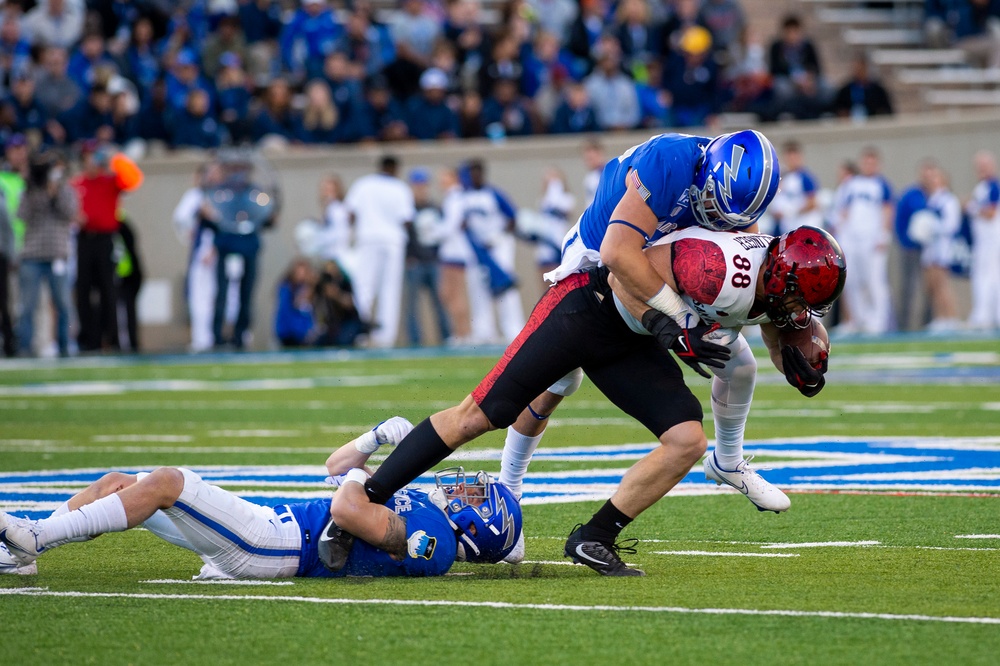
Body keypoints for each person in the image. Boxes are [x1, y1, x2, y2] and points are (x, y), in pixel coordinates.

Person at [350, 225, 844, 577]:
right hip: (590, 309)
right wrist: (672, 330)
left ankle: (594, 537)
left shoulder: (777, 285)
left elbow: (787, 330)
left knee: (686, 438)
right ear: (781, 280)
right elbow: (619, 276)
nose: (800, 311)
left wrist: (807, 363)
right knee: (481, 415)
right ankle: (364, 500)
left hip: (629, 343)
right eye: (799, 300)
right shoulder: (716, 270)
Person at [0, 418, 522, 578]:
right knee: (123, 482)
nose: (466, 486)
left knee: (168, 481)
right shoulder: (429, 512)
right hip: (272, 528)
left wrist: (369, 476)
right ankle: (23, 556)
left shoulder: (437, 545)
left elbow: (345, 506)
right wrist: (376, 439)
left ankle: (37, 536)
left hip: (276, 547)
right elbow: (336, 468)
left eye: (478, 492)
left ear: (480, 522)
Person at [72, 144, 143, 352]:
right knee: (83, 290)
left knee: (108, 289)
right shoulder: (77, 184)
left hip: (105, 240)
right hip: (84, 239)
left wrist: (116, 158)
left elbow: (134, 180)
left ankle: (111, 338)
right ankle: (87, 339)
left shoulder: (109, 181)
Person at [203, 152, 277, 350]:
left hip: (249, 246)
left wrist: (271, 212)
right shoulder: (219, 194)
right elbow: (209, 218)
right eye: (234, 169)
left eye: (241, 169)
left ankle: (239, 336)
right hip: (226, 244)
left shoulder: (255, 194)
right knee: (221, 293)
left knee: (246, 294)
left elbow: (268, 218)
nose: (238, 174)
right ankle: (217, 337)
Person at [344, 155, 414, 347]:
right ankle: (386, 338)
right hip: (393, 242)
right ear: (395, 168)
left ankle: (359, 332)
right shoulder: (400, 188)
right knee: (390, 289)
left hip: (368, 239)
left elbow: (350, 214)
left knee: (363, 287)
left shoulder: (363, 185)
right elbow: (407, 220)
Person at [14, 151, 76, 359]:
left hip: (58, 254)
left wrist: (54, 193)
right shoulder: (31, 191)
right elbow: (22, 215)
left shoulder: (65, 190)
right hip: (32, 254)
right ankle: (25, 347)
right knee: (27, 305)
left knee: (63, 305)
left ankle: (65, 347)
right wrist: (35, 190)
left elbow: (70, 213)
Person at [459, 159, 525, 344]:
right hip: (479, 252)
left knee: (505, 288)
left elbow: (513, 217)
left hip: (498, 246)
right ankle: (483, 331)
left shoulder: (493, 194)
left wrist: (498, 236)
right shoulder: (464, 197)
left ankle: (513, 329)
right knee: (478, 287)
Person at [830, 146, 893, 335]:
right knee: (853, 280)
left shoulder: (882, 185)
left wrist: (884, 234)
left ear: (878, 164)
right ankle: (859, 319)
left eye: (872, 162)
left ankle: (879, 321)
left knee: (874, 280)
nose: (869, 165)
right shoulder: (852, 184)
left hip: (872, 239)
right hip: (852, 239)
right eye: (866, 161)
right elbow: (843, 211)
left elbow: (887, 209)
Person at [404, 168, 451, 346]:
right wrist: (409, 257)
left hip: (433, 261)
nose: (421, 189)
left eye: (423, 185)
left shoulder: (435, 208)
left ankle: (446, 337)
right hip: (415, 262)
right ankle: (415, 341)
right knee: (413, 305)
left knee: (440, 303)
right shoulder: (408, 209)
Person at [894, 160, 936, 331]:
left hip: (931, 250)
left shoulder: (936, 195)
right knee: (908, 287)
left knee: (931, 286)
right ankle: (904, 324)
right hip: (911, 249)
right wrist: (905, 241)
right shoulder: (911, 195)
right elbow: (899, 219)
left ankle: (928, 321)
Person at [920, 166, 961, 333]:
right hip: (930, 246)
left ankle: (951, 317)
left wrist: (933, 227)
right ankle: (940, 317)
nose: (932, 181)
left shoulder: (948, 200)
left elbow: (952, 225)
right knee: (933, 285)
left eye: (936, 178)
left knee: (942, 283)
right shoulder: (932, 199)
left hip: (942, 246)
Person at [966, 150, 1000, 330]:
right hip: (984, 240)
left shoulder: (993, 186)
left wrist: (972, 208)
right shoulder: (981, 187)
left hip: (992, 240)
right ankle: (985, 314)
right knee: (985, 277)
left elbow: (991, 212)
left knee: (988, 277)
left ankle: (984, 315)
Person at [770, 140, 822, 235]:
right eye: (789, 158)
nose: (791, 161)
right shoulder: (783, 177)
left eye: (794, 158)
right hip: (785, 227)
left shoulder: (805, 177)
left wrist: (790, 212)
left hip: (802, 227)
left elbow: (813, 203)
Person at [275, 258, 318, 347]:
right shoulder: (286, 288)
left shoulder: (310, 287)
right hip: (289, 332)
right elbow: (294, 305)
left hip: (305, 332)